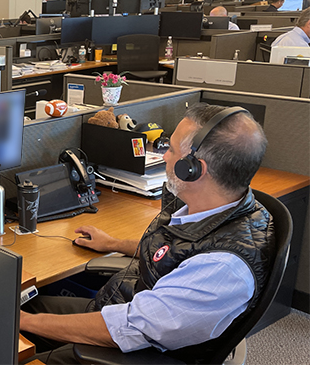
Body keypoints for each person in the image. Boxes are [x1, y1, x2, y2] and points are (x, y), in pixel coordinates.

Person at [20, 103, 274, 364]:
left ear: (194, 169)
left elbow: (125, 329)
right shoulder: (220, 209)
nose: (164, 157)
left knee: (15, 336)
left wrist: (26, 323)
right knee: (23, 308)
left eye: (171, 150)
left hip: (136, 350)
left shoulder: (222, 269)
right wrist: (114, 243)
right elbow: (177, 252)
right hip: (123, 302)